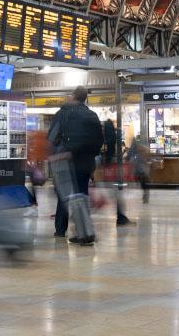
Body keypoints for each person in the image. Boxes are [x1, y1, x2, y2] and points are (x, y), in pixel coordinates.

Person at [48, 86, 103, 245]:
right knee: (81, 196)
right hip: (86, 163)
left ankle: (62, 229)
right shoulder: (92, 115)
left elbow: (52, 137)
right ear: (85, 98)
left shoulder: (63, 113)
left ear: (73, 96)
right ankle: (83, 231)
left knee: (65, 196)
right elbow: (100, 141)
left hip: (66, 161)